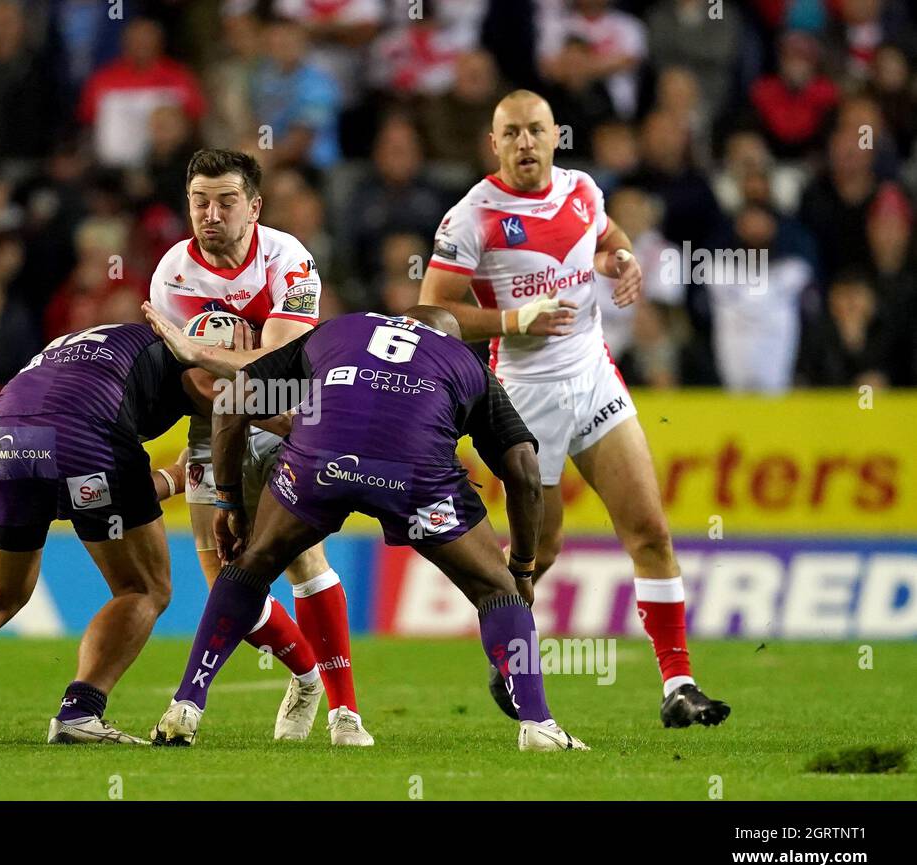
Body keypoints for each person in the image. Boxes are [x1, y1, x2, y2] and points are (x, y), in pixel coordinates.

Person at [418, 90, 730, 728]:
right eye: (512, 134)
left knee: (649, 531)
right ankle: (511, 653)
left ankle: (679, 684)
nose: (526, 143)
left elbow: (609, 238)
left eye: (536, 131)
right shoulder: (471, 217)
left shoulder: (582, 189)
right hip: (525, 398)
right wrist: (512, 318)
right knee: (542, 551)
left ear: (554, 136)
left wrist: (621, 262)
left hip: (593, 377)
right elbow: (431, 312)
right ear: (494, 144)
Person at [143, 305, 587, 751]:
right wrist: (523, 571)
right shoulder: (464, 361)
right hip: (415, 477)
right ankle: (538, 725)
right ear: (449, 338)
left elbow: (234, 401)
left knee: (252, 565)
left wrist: (230, 503)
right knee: (496, 589)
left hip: (323, 463)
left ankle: (186, 704)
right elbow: (526, 475)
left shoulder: (341, 330)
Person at [0, 322, 204, 745]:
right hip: (84, 434)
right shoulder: (186, 354)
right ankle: (80, 712)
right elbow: (226, 404)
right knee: (143, 588)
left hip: (7, 433)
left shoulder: (87, 343)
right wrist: (182, 477)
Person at [149, 148, 370, 746]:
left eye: (225, 201)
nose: (211, 214)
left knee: (298, 556)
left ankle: (345, 712)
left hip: (292, 415)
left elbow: (276, 366)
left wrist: (212, 357)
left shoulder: (288, 259)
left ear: (255, 206)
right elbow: (195, 381)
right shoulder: (172, 272)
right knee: (222, 569)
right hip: (209, 422)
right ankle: (305, 676)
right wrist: (226, 365)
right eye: (200, 201)